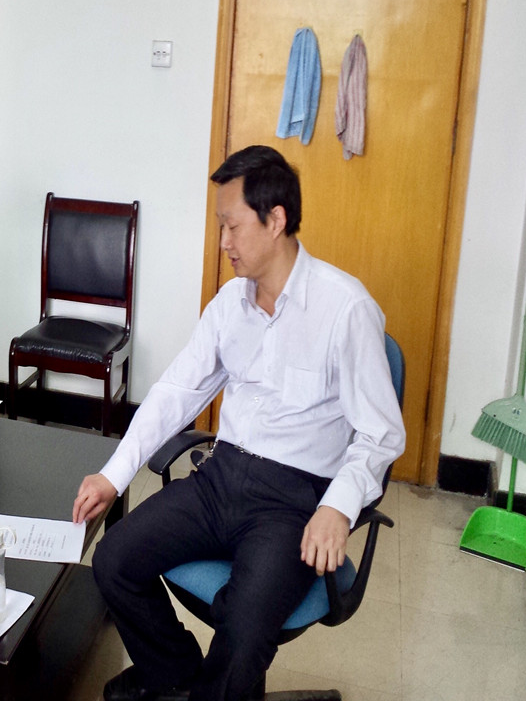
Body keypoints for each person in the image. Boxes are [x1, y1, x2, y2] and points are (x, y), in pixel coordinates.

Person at [72, 146, 405, 701]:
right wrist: (114, 474)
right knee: (114, 560)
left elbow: (381, 434)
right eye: (219, 226)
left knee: (244, 626)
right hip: (221, 477)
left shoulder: (345, 309)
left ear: (275, 220)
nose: (223, 241)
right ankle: (177, 676)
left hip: (294, 501)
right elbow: (176, 392)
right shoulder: (231, 303)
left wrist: (338, 507)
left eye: (232, 226)